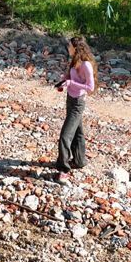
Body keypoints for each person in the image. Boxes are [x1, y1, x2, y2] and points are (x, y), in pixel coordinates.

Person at [55, 36, 96, 176]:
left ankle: (63, 169)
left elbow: (90, 87)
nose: (68, 48)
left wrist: (71, 84)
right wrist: (64, 81)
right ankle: (79, 161)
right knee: (78, 132)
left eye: (69, 46)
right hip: (70, 99)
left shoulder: (86, 65)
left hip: (78, 102)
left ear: (75, 48)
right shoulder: (74, 61)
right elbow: (70, 77)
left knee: (65, 135)